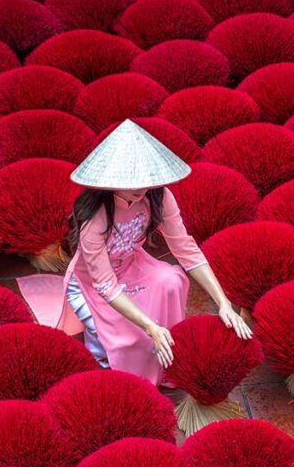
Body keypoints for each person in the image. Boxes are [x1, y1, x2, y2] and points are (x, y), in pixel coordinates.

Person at [44, 119, 251, 387]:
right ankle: (116, 361)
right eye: (129, 181)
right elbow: (105, 285)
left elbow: (184, 247)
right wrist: (149, 326)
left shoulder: (159, 196)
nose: (139, 187)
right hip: (91, 286)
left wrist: (223, 302)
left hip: (134, 265)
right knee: (132, 339)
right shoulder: (94, 218)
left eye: (144, 178)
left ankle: (167, 354)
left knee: (171, 280)